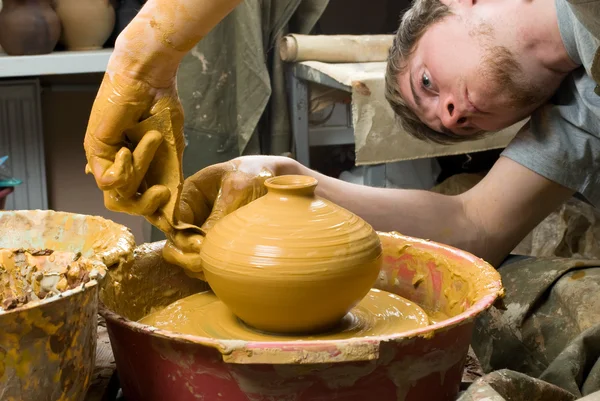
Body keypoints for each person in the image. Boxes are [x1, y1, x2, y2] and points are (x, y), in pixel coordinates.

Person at [83, 0, 600, 399]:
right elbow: (474, 224)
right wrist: (286, 177)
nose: (450, 117)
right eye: (461, 127)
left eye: (426, 80)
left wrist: (145, 56)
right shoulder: (580, 110)